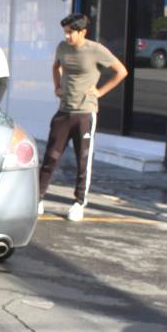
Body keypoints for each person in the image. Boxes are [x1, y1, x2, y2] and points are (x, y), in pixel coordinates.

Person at [38, 12, 128, 222]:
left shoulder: (96, 50)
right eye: (65, 32)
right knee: (51, 156)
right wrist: (57, 86)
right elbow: (55, 66)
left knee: (82, 160)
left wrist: (100, 91)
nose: (67, 37)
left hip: (85, 112)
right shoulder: (62, 47)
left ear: (83, 32)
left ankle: (79, 202)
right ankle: (38, 198)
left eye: (71, 33)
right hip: (64, 111)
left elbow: (121, 71)